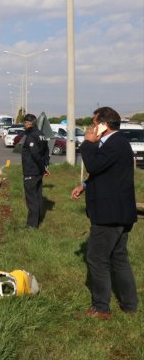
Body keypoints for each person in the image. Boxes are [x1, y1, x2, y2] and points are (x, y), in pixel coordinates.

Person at [71, 107, 138, 319]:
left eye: (94, 123)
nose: (91, 127)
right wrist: (84, 185)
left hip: (109, 214)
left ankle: (101, 308)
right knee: (118, 258)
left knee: (97, 259)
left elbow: (93, 164)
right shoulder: (116, 143)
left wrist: (87, 143)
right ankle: (129, 305)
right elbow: (106, 173)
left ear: (104, 125)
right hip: (119, 212)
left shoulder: (115, 143)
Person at [20, 114, 50, 228]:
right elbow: (46, 152)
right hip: (38, 172)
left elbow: (36, 155)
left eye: (24, 123)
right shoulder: (42, 135)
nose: (24, 125)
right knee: (38, 196)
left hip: (31, 171)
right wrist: (45, 167)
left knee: (31, 198)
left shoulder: (31, 136)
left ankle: (32, 225)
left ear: (29, 123)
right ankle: (39, 219)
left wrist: (43, 168)